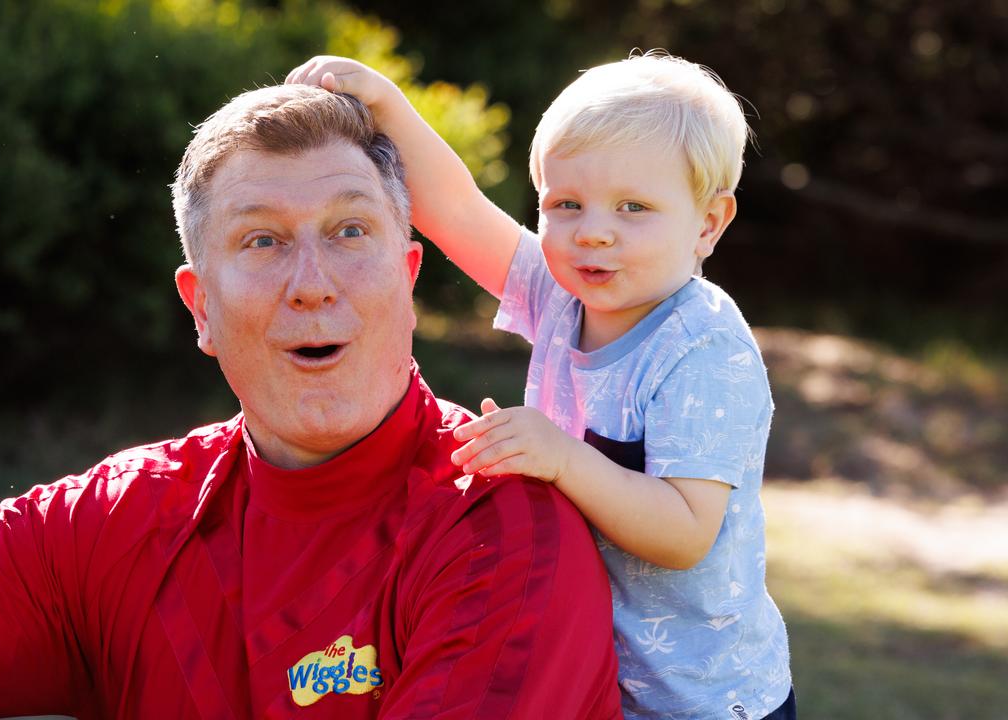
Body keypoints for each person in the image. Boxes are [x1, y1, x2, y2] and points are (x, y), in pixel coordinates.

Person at [0, 84, 622, 719]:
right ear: (200, 309)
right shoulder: (124, 516)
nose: (313, 284)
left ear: (408, 273)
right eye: (261, 241)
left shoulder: (504, 526)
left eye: (350, 231)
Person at [288, 52, 795, 719]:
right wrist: (387, 106)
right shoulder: (560, 294)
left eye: (634, 208)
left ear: (707, 223)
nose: (594, 232)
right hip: (594, 673)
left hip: (700, 698)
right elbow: (457, 211)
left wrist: (560, 458)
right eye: (566, 204)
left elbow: (685, 531)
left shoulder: (702, 347)